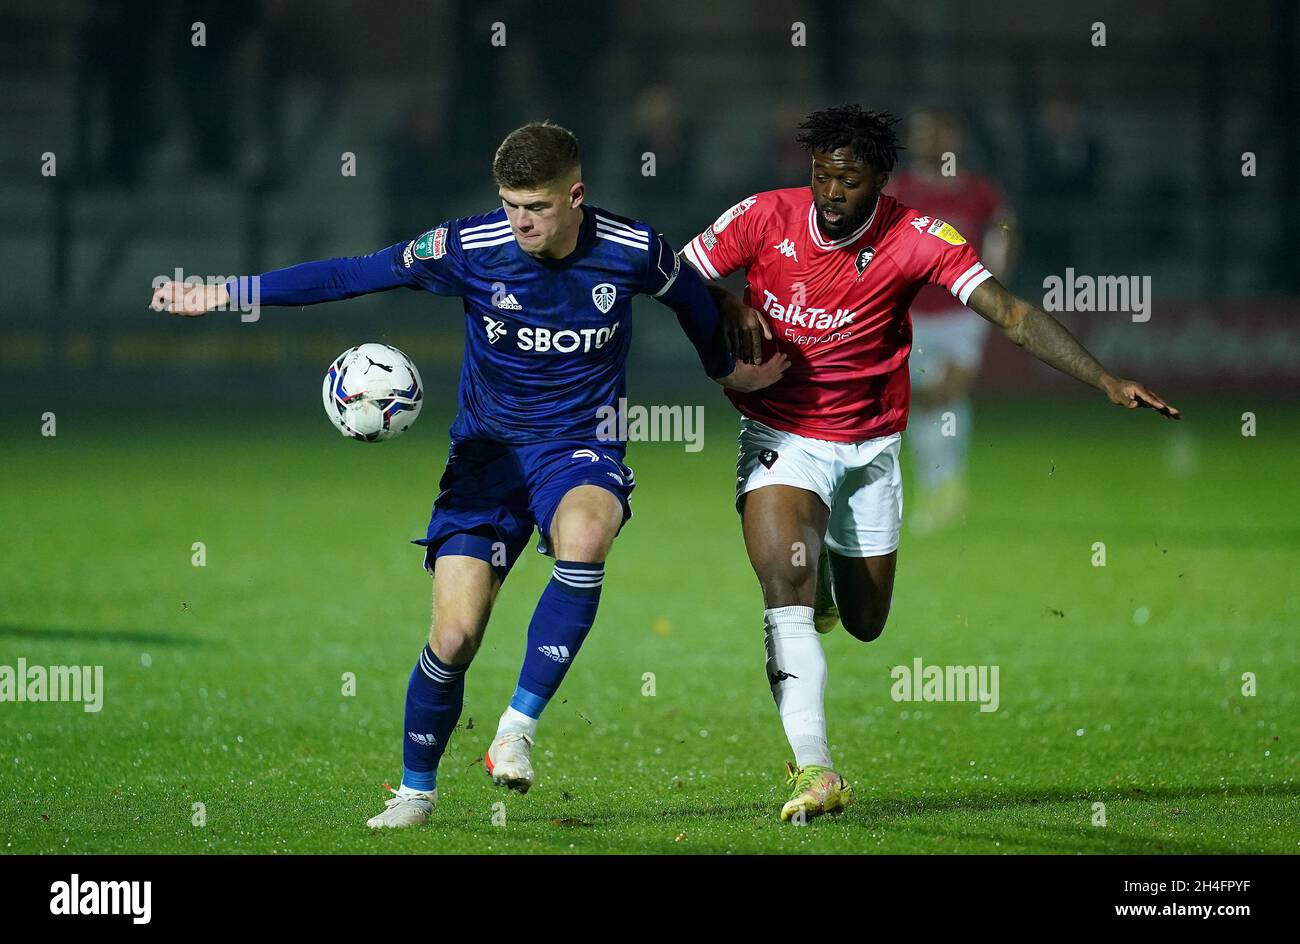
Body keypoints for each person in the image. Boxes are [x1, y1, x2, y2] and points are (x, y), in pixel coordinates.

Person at [150, 121, 785, 828]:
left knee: (586, 534)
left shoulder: (633, 250)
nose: (520, 221)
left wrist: (729, 370)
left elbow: (691, 300)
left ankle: (517, 725)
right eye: (511, 204)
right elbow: (353, 273)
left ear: (575, 196)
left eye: (537, 207)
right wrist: (229, 293)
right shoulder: (468, 247)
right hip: (485, 459)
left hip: (579, 447)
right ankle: (414, 794)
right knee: (454, 638)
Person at [681, 105, 1179, 822]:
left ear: (882, 180)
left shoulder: (919, 238)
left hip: (870, 448)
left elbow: (1008, 314)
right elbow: (668, 273)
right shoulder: (762, 216)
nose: (830, 193)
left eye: (848, 180)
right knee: (783, 586)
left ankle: (826, 581)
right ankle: (815, 769)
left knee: (865, 620)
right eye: (821, 176)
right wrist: (722, 298)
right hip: (780, 436)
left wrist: (1104, 379)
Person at [888, 107, 1015, 532]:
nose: (924, 140)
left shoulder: (978, 193)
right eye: (920, 133)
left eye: (932, 131)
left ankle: (947, 487)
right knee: (925, 400)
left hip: (963, 312)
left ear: (953, 137)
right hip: (910, 314)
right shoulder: (900, 190)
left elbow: (1004, 230)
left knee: (949, 392)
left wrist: (994, 279)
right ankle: (940, 489)